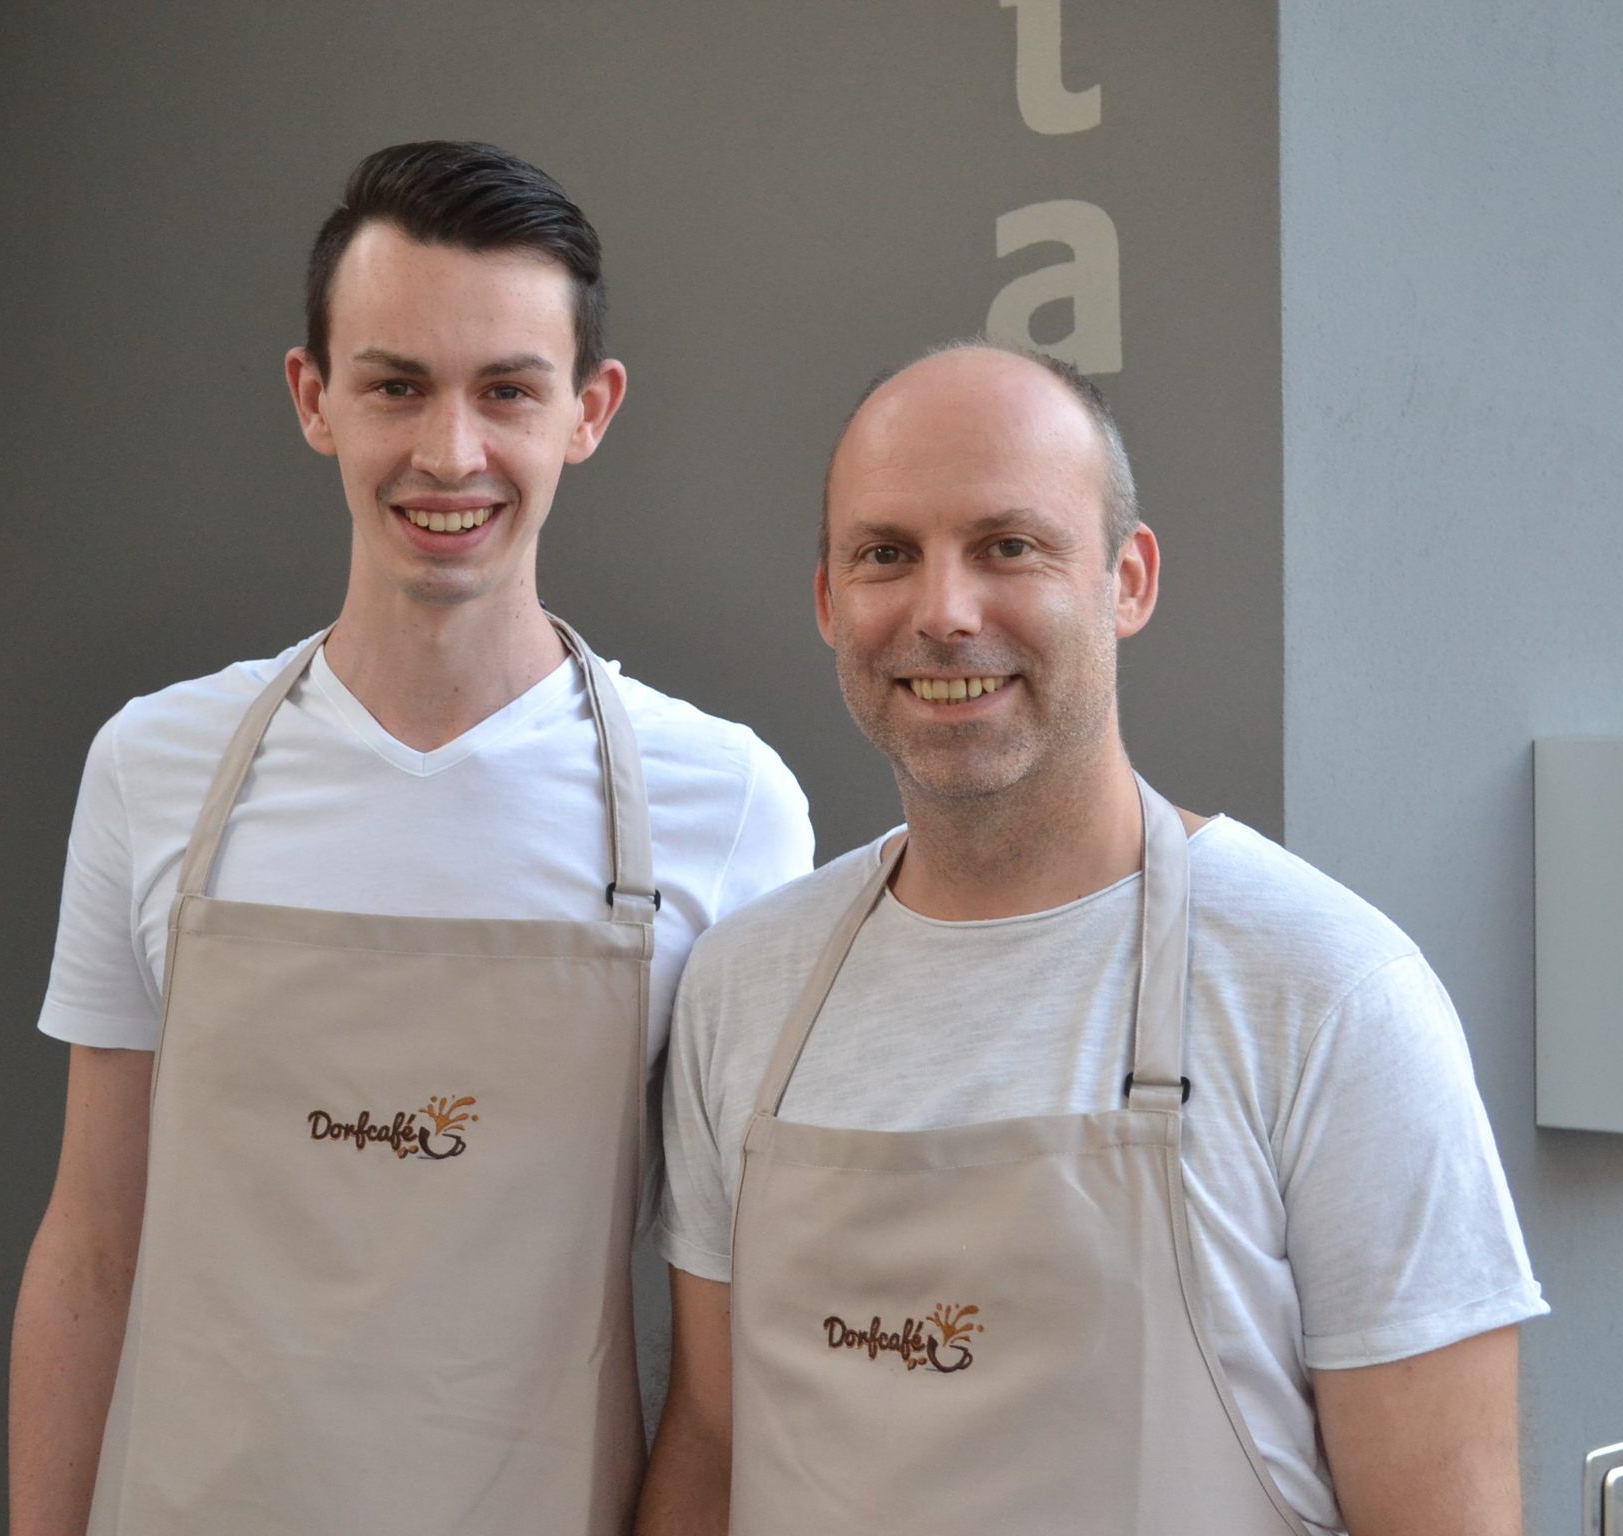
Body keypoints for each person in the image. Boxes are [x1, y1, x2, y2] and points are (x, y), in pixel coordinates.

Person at [8, 140, 813, 1536]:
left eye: (508, 390)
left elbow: (751, 1327)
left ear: (590, 410)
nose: (453, 453)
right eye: (397, 386)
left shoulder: (727, 806)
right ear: (313, 399)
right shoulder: (157, 769)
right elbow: (92, 1247)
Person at [638, 342, 1544, 1536]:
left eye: (1008, 547)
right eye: (884, 555)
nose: (943, 612)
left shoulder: (1326, 993)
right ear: (825, 599)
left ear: (1128, 579)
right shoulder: (743, 985)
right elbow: (711, 1443)